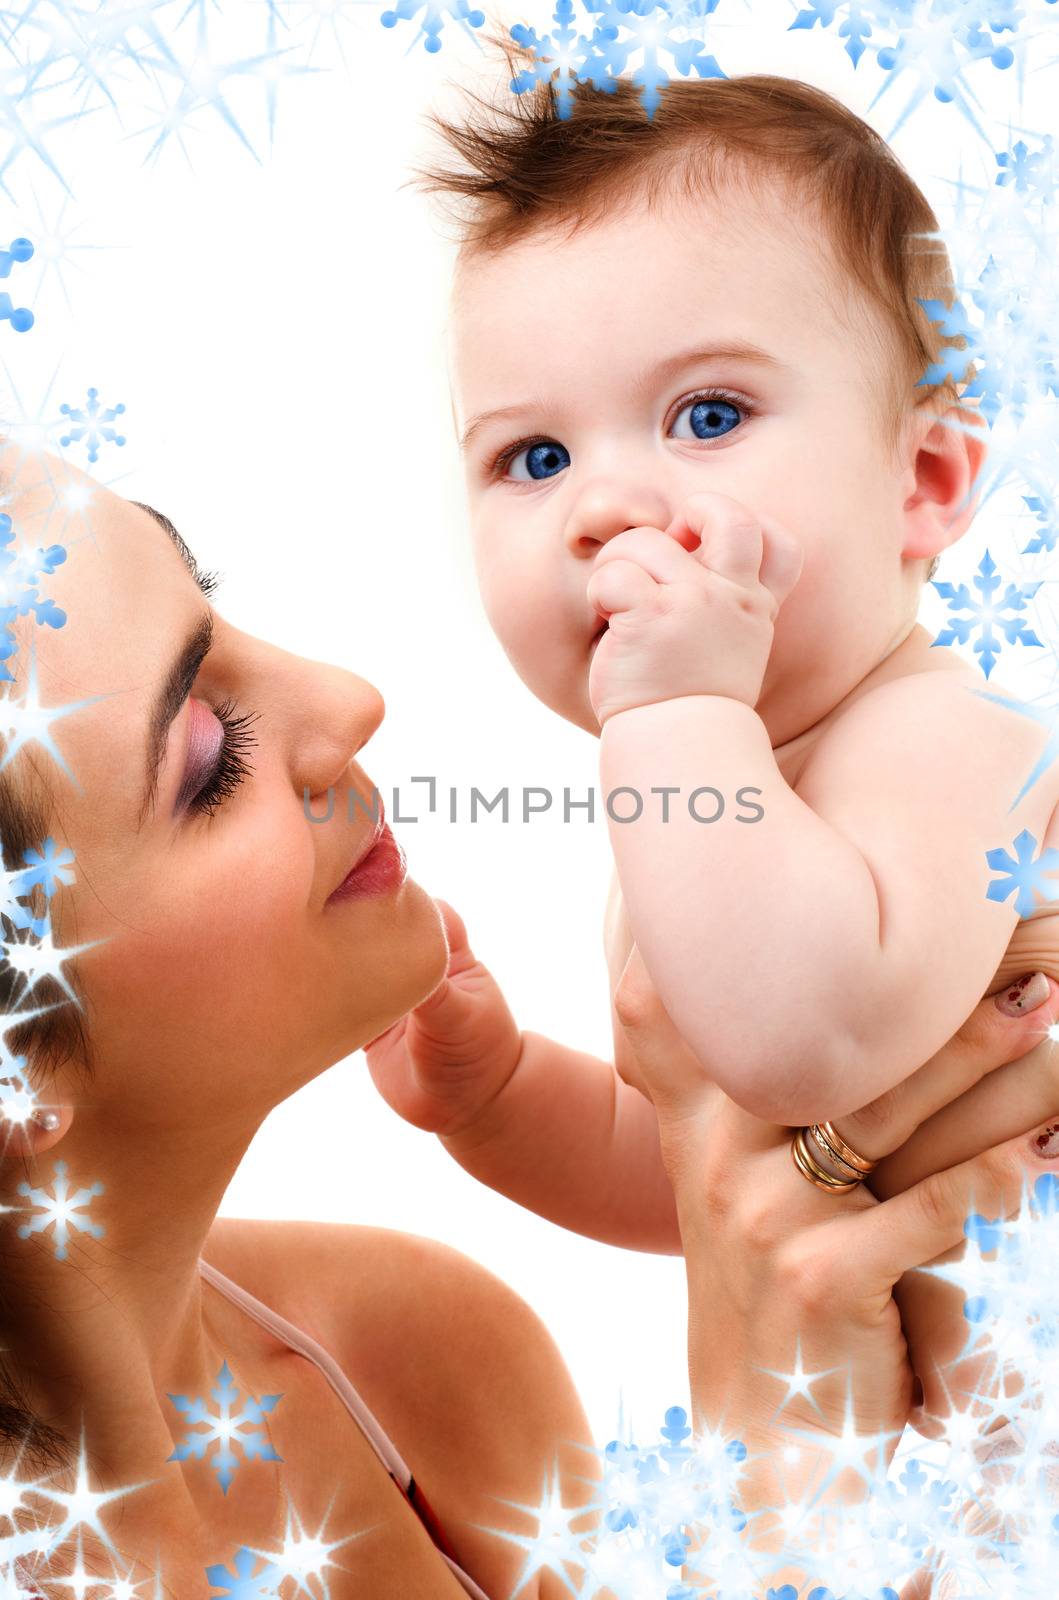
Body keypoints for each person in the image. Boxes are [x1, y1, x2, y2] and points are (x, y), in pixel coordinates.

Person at [0, 440, 1055, 1600]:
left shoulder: (408, 1346)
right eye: (208, 750)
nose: (351, 697)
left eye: (210, 589)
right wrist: (782, 1452)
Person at [365, 68, 1059, 1390]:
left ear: (918, 481)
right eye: (533, 458)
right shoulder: (700, 802)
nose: (601, 505)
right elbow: (712, 1178)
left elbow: (806, 1044)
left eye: (706, 416)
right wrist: (501, 1098)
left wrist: (677, 717)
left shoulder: (948, 737)